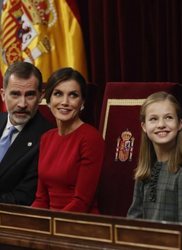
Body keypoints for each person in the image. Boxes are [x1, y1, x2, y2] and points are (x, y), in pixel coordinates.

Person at [127, 91, 182, 235]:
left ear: (179, 124)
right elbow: (133, 223)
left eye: (168, 117)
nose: (161, 124)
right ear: (144, 127)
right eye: (154, 119)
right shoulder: (145, 170)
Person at [32, 67, 105, 213]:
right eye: (58, 94)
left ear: (82, 102)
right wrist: (28, 222)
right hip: (51, 224)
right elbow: (41, 199)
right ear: (48, 99)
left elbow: (82, 202)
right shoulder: (46, 138)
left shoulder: (91, 138)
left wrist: (51, 227)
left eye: (73, 95)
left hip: (79, 223)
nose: (65, 102)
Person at [0, 61, 54, 205]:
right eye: (15, 94)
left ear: (41, 96)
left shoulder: (47, 137)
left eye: (29, 95)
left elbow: (24, 197)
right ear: (3, 95)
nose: (22, 104)